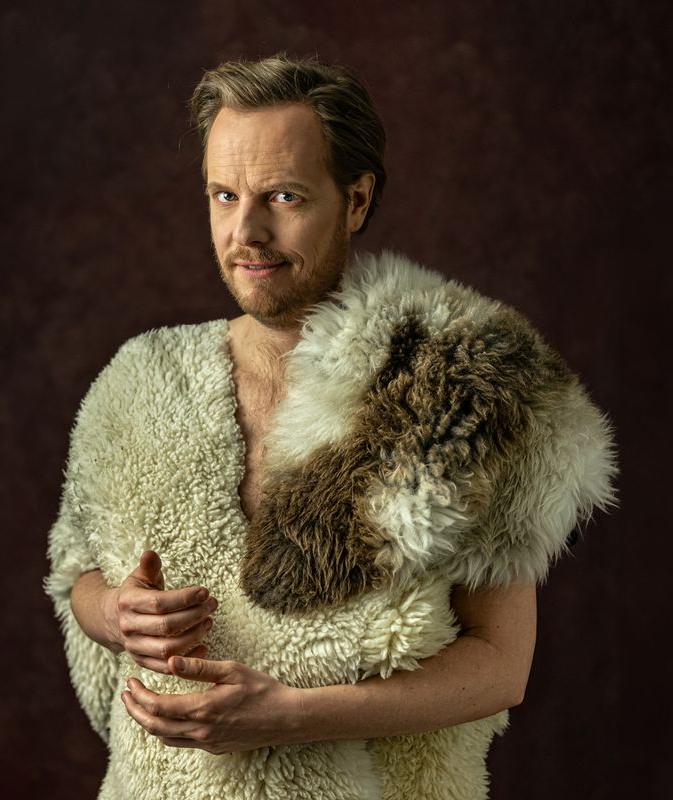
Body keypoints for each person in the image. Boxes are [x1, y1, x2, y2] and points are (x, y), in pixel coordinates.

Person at [45, 54, 617, 800]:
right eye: (224, 196)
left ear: (355, 200)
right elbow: (79, 574)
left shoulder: (460, 388)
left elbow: (501, 665)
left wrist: (291, 717)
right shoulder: (138, 381)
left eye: (283, 196)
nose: (246, 231)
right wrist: (116, 613)